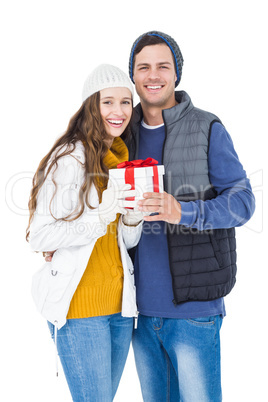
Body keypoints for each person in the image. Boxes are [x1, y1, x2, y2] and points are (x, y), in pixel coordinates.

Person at [125, 31, 255, 402]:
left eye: (163, 66)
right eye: (143, 67)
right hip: (137, 314)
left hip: (195, 312)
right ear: (132, 76)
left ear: (177, 74)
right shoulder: (120, 134)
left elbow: (243, 201)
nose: (153, 75)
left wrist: (184, 211)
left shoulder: (206, 127)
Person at [26, 64, 143, 401]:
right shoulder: (69, 159)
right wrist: (99, 217)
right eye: (108, 102)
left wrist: (131, 220)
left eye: (125, 102)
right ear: (92, 105)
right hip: (81, 308)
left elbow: (122, 243)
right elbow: (39, 236)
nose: (119, 111)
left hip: (120, 307)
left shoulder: (119, 160)